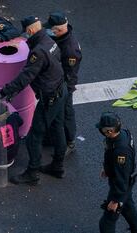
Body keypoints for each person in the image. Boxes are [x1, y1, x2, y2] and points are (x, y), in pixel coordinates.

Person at [0, 16, 67, 185]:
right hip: (61, 89)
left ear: (30, 31)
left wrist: (2, 93)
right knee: (57, 128)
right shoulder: (49, 40)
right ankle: (58, 166)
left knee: (34, 137)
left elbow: (25, 77)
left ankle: (32, 172)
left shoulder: (38, 52)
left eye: (25, 33)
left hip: (50, 97)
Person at [44, 11, 82, 154]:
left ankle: (70, 142)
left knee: (66, 114)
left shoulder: (70, 49)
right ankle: (51, 137)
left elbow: (69, 75)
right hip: (54, 81)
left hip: (63, 85)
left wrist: (62, 90)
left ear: (59, 30)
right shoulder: (60, 37)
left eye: (51, 29)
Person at [96, 112, 137, 233]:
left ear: (109, 132)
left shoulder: (121, 152)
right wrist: (106, 168)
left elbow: (121, 178)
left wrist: (115, 200)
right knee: (127, 206)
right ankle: (136, 230)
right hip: (125, 181)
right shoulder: (124, 133)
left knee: (107, 222)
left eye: (102, 129)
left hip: (121, 185)